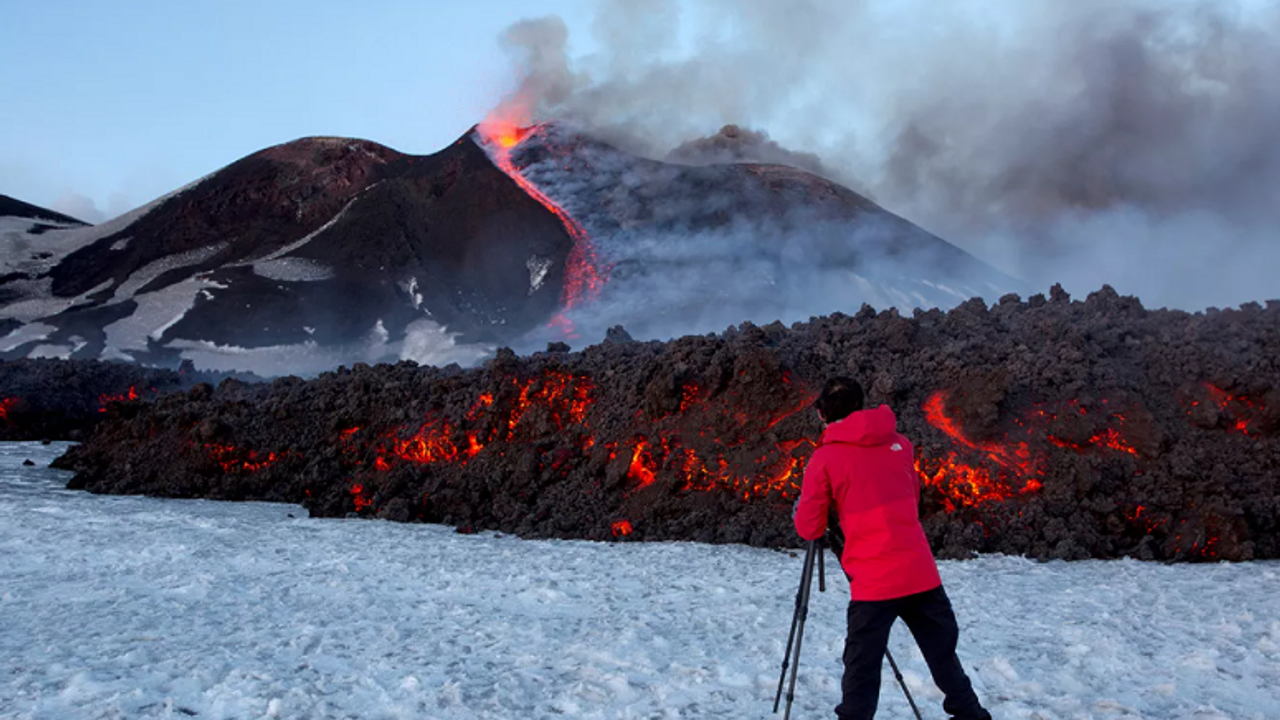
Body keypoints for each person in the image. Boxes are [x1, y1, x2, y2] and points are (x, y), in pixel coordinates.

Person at [793, 376, 992, 720]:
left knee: (861, 669)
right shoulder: (900, 443)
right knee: (943, 657)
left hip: (874, 584)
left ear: (823, 413)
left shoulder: (824, 459)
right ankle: (971, 715)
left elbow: (809, 527)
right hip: (920, 573)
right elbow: (912, 499)